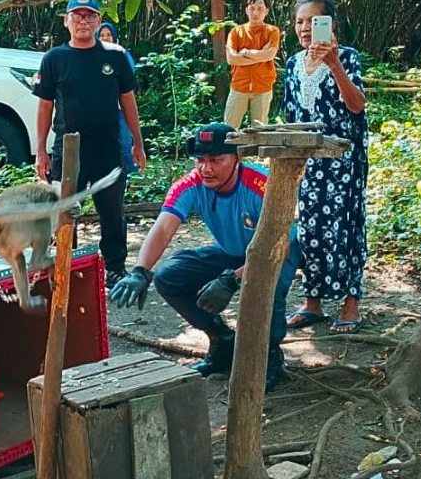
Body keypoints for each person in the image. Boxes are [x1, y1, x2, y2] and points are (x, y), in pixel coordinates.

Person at [108, 123, 299, 390]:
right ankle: (222, 340)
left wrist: (232, 279)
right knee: (168, 277)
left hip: (277, 254)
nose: (206, 168)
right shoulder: (191, 184)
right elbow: (163, 227)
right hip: (232, 251)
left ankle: (269, 357)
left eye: (216, 160)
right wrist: (140, 270)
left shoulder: (263, 186)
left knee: (264, 286)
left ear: (237, 158)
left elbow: (277, 247)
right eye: (200, 160)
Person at [34, 0, 145, 287]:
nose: (83, 21)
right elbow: (45, 105)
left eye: (89, 16)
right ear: (66, 20)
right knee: (64, 212)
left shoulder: (115, 56)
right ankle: (65, 268)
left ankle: (115, 268)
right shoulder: (54, 59)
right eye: (78, 15)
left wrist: (138, 142)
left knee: (112, 212)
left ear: (98, 21)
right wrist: (40, 151)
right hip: (68, 151)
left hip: (107, 149)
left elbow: (128, 100)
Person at [282, 0, 368, 334]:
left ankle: (351, 303)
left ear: (330, 26)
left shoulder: (347, 57)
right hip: (308, 162)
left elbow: (357, 105)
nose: (305, 28)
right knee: (311, 228)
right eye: (299, 21)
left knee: (346, 226)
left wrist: (334, 65)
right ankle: (312, 302)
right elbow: (291, 114)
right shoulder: (292, 64)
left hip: (343, 160)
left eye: (312, 21)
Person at [224, 0, 281, 128]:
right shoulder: (236, 32)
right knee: (229, 129)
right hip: (239, 86)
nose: (256, 13)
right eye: (252, 8)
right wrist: (260, 55)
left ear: (266, 11)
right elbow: (231, 59)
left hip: (263, 88)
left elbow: (270, 55)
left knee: (259, 131)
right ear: (246, 10)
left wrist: (246, 53)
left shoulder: (272, 31)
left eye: (260, 9)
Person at [96, 21, 140, 175]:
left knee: (125, 145)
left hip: (121, 109)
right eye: (102, 35)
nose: (105, 38)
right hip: (100, 111)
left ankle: (132, 178)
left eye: (109, 35)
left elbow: (128, 82)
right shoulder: (91, 56)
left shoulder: (122, 54)